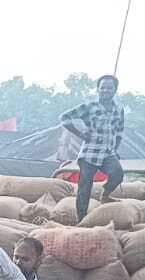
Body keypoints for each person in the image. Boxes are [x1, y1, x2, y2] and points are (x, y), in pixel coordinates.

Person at [60, 76, 125, 221]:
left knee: (118, 174)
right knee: (85, 187)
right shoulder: (89, 106)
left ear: (115, 90)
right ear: (98, 89)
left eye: (109, 88)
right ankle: (81, 218)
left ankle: (106, 194)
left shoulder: (118, 109)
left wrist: (116, 148)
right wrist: (80, 134)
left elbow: (120, 130)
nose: (105, 90)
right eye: (102, 87)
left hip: (108, 152)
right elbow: (64, 118)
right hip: (90, 153)